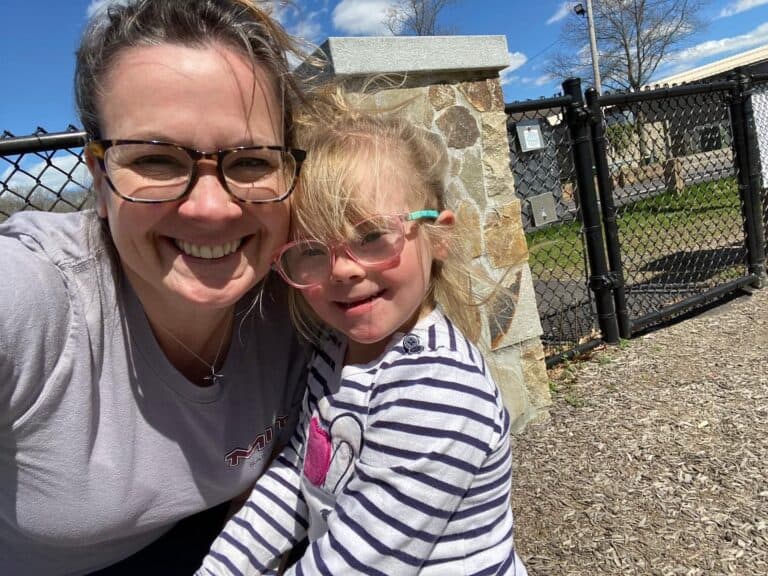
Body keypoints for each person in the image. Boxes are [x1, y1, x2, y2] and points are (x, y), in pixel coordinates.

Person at [0, 1, 312, 573]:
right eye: (157, 159)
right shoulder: (30, 299)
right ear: (99, 179)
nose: (213, 208)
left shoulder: (302, 294)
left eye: (249, 162)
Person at [197, 93, 528, 575]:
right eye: (312, 249)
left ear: (438, 236)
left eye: (372, 236)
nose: (344, 270)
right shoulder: (334, 353)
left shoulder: (440, 394)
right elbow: (298, 474)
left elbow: (357, 563)